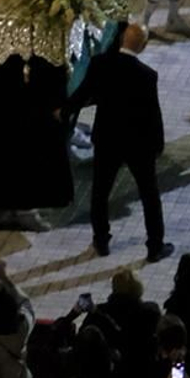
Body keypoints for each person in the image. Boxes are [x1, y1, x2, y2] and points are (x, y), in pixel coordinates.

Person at [69, 21, 169, 262]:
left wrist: (64, 111)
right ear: (143, 47)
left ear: (122, 37)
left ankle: (101, 241)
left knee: (100, 192)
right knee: (149, 195)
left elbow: (82, 94)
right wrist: (158, 144)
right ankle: (155, 246)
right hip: (138, 144)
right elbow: (153, 114)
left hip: (108, 139)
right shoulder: (147, 76)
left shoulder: (100, 64)